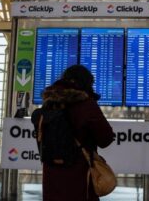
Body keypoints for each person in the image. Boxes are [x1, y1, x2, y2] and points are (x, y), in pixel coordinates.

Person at [31, 65, 114, 201]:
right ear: (86, 83)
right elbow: (105, 139)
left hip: (51, 174)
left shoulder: (48, 104)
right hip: (79, 174)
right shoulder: (86, 104)